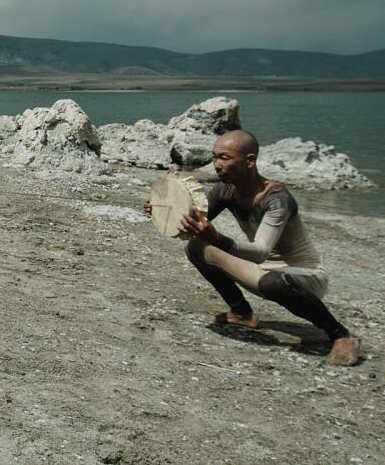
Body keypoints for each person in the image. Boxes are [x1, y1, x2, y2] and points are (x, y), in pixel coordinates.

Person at [146, 129, 360, 365]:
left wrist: (217, 238)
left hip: (304, 275)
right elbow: (191, 225)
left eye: (225, 158)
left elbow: (260, 251)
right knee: (195, 247)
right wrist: (160, 209)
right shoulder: (224, 191)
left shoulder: (277, 198)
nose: (216, 165)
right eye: (214, 157)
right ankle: (241, 313)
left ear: (250, 161)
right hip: (261, 268)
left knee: (271, 280)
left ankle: (340, 335)